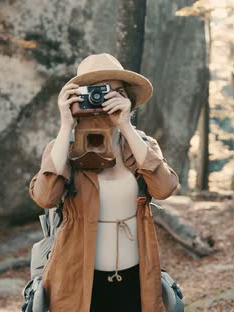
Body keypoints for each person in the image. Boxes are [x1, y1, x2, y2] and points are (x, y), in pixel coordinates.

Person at [28, 53, 180, 312]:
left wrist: (126, 126)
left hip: (137, 277)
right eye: (94, 92)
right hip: (77, 280)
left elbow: (164, 188)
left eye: (114, 91)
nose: (102, 99)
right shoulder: (62, 148)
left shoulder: (141, 145)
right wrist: (66, 126)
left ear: (128, 98)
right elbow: (45, 197)